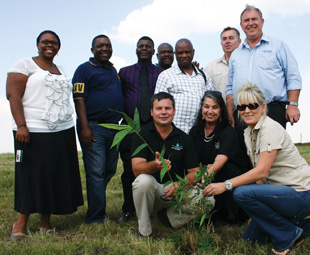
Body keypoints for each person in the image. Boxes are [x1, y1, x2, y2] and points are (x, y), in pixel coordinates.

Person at [203, 83, 310, 255]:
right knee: (252, 238)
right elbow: (261, 179)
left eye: (252, 105)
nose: (247, 110)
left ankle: (288, 235)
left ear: (262, 107)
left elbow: (260, 171)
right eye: (242, 106)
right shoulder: (248, 133)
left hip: (301, 192)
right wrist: (257, 211)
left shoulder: (270, 128)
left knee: (240, 193)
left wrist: (225, 185)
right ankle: (302, 227)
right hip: (281, 194)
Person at [6, 30, 83, 240]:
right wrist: (21, 125)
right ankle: (20, 223)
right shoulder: (24, 65)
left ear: (59, 47)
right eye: (45, 42)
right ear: (37, 44)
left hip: (62, 130)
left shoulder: (62, 69)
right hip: (32, 129)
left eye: (54, 43)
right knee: (30, 175)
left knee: (53, 175)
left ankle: (45, 221)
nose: (50, 45)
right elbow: (13, 95)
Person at [131, 92, 215, 237]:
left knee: (209, 200)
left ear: (174, 111)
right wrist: (154, 166)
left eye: (168, 108)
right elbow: (136, 169)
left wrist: (181, 184)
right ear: (152, 112)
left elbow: (195, 172)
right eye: (159, 108)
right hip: (153, 192)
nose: (163, 112)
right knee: (142, 181)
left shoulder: (184, 138)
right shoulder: (142, 134)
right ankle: (144, 231)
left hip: (176, 192)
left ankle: (168, 218)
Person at [72, 35, 124, 224]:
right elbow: (79, 99)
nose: (104, 48)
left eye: (108, 45)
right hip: (94, 127)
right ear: (92, 49)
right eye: (100, 46)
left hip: (114, 128)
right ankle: (95, 218)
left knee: (108, 170)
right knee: (95, 172)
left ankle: (97, 208)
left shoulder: (112, 69)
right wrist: (85, 127)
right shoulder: (84, 69)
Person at [226, 5, 302, 129]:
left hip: (271, 110)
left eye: (254, 19)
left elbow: (293, 76)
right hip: (242, 113)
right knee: (244, 148)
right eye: (246, 20)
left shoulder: (278, 46)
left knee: (271, 147)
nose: (250, 23)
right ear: (241, 25)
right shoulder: (236, 55)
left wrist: (293, 105)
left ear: (262, 22)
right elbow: (229, 87)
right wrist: (231, 114)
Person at [118, 36, 162, 222]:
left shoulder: (161, 72)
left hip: (154, 128)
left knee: (155, 167)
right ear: (136, 50)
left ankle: (154, 208)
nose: (144, 49)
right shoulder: (124, 72)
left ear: (153, 51)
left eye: (148, 47)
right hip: (130, 128)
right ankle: (128, 209)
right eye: (140, 46)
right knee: (129, 169)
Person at [189, 91, 249, 223]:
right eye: (206, 106)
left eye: (215, 107)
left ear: (221, 110)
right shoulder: (195, 131)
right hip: (206, 172)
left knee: (224, 169)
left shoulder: (228, 131)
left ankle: (231, 213)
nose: (210, 111)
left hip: (229, 174)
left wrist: (206, 174)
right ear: (201, 109)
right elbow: (191, 159)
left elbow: (221, 160)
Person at [155, 38, 214, 134]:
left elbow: (212, 101)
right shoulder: (166, 76)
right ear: (175, 54)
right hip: (174, 133)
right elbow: (158, 106)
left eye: (187, 52)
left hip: (199, 133)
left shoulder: (203, 75)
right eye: (180, 53)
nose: (184, 56)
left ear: (193, 52)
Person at [206, 27, 241, 101]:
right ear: (221, 43)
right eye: (224, 39)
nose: (227, 41)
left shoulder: (247, 64)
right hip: (220, 110)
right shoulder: (211, 67)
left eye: (231, 38)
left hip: (244, 110)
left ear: (239, 41)